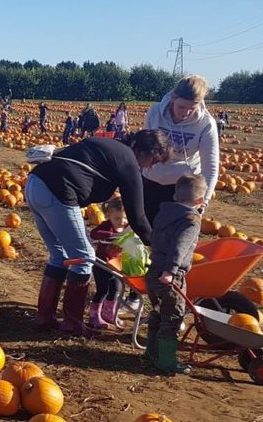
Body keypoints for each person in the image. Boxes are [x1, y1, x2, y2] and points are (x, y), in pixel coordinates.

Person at [26, 130, 171, 336]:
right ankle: (72, 323)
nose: (150, 166)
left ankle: (44, 318)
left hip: (35, 183)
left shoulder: (111, 146)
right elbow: (138, 218)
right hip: (57, 190)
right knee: (84, 257)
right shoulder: (129, 161)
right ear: (147, 151)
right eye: (153, 160)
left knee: (60, 255)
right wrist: (158, 247)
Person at [143, 174, 207, 375]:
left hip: (153, 272)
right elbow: (179, 247)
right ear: (199, 201)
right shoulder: (191, 221)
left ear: (174, 195)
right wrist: (170, 271)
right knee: (172, 316)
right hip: (171, 276)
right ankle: (166, 361)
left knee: (158, 311)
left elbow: (154, 238)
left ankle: (151, 351)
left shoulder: (163, 212)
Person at [142, 74, 219, 223]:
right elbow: (144, 147)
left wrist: (203, 201)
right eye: (181, 106)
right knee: (147, 232)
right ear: (173, 98)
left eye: (192, 108)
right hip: (151, 180)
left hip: (184, 188)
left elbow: (210, 167)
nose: (186, 112)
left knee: (174, 234)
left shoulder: (206, 124)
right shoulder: (155, 112)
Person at [88, 197, 128, 330]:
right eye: (117, 218)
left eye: (124, 218)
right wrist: (111, 235)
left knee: (115, 290)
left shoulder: (127, 228)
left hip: (117, 266)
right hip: (102, 265)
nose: (121, 222)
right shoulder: (106, 226)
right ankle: (94, 315)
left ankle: (108, 313)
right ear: (108, 215)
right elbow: (94, 233)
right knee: (102, 290)